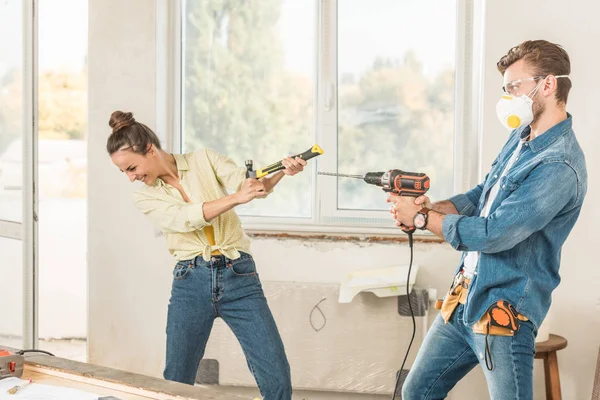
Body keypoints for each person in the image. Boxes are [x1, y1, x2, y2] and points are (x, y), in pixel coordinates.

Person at [387, 40, 587, 399]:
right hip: (465, 298)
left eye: (515, 87)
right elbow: (482, 196)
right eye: (505, 88)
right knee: (416, 391)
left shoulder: (559, 166)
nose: (508, 96)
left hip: (503, 314)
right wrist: (434, 208)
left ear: (548, 84)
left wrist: (420, 220)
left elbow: (495, 233)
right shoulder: (521, 137)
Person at [106, 111, 306, 399]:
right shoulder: (145, 196)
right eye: (124, 172)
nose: (131, 178)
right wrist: (237, 197)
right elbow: (185, 218)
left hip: (240, 277)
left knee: (275, 372)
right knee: (176, 378)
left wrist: (281, 172)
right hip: (190, 282)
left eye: (131, 167)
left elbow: (248, 186)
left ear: (150, 149)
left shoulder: (204, 159)